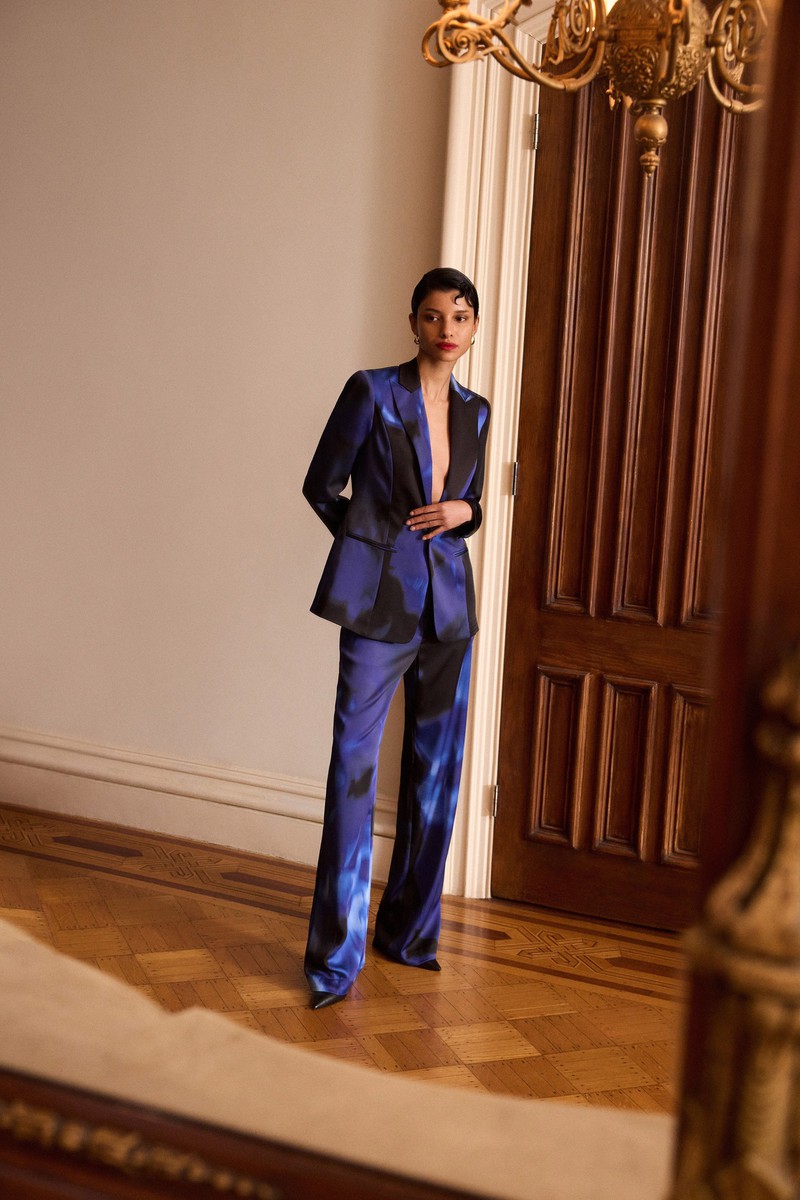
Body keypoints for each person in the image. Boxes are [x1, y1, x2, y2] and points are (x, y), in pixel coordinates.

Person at [302, 267, 490, 1010]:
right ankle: (334, 958)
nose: (448, 329)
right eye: (435, 315)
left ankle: (408, 934)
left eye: (461, 317)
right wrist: (372, 548)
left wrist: (467, 514)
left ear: (474, 328)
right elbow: (322, 485)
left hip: (449, 611)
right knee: (354, 767)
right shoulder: (372, 391)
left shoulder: (476, 411)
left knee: (435, 774)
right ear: (413, 322)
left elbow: (469, 499)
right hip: (379, 606)